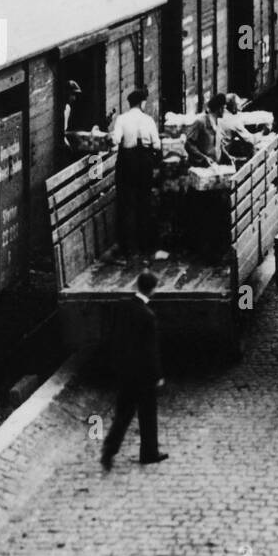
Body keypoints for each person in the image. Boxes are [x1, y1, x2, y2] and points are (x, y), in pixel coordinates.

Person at [100, 271, 168, 470]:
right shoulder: (148, 316)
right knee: (148, 415)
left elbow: (114, 338)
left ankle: (109, 450)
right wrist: (157, 376)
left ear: (137, 286)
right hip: (143, 377)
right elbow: (150, 351)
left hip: (125, 373)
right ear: (153, 289)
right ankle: (149, 453)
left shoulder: (123, 307)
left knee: (123, 414)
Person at [111, 88, 161, 261]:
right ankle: (145, 245)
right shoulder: (148, 120)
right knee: (144, 202)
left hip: (127, 164)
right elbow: (157, 145)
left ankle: (128, 247)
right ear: (142, 103)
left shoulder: (121, 119)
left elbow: (115, 141)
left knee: (126, 204)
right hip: (144, 164)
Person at [185, 92, 228, 167]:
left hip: (214, 167)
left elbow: (219, 145)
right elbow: (188, 144)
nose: (225, 111)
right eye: (224, 108)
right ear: (220, 109)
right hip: (200, 167)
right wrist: (203, 158)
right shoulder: (201, 122)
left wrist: (228, 157)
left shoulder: (218, 124)